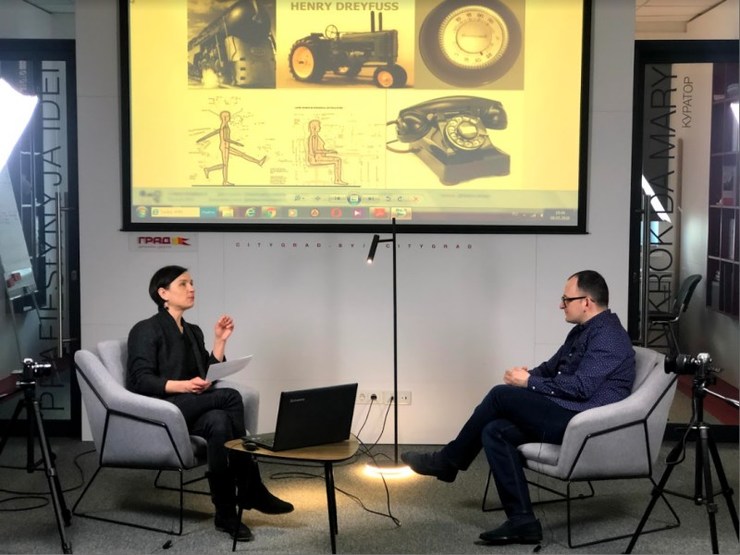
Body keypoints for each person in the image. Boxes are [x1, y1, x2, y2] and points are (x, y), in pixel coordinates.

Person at [401, 270, 635, 546]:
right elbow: (551, 369)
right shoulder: (581, 332)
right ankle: (523, 521)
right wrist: (525, 377)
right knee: (494, 430)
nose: (561, 305)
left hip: (584, 422)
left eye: (566, 299)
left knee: (499, 396)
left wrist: (528, 383)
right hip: (567, 410)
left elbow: (581, 388)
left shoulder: (609, 337)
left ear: (586, 302)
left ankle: (447, 461)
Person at [127, 265, 292, 542]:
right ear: (163, 293)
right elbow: (140, 381)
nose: (191, 288)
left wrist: (219, 341)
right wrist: (184, 385)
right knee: (230, 397)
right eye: (183, 284)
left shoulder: (193, 331)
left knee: (219, 421)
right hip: (163, 409)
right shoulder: (145, 329)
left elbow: (206, 373)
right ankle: (251, 486)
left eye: (192, 283)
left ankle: (225, 513)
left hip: (190, 407)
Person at [307, 119, 347, 185]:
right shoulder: (314, 137)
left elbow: (319, 149)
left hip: (319, 157)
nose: (320, 127)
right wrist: (329, 151)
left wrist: (329, 151)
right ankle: (337, 180)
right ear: (314, 127)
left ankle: (338, 179)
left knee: (338, 159)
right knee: (338, 160)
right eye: (319, 126)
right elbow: (315, 151)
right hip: (316, 159)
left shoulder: (315, 136)